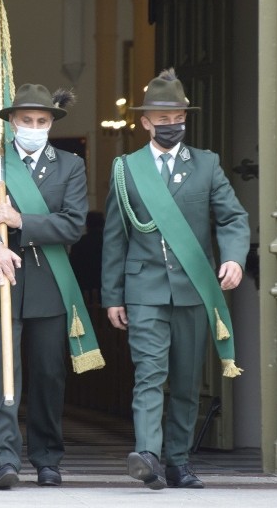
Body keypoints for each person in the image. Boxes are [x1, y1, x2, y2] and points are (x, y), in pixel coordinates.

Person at [101, 68, 250, 490]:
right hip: (144, 288)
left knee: (185, 380)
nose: (171, 124)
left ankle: (179, 461)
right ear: (145, 121)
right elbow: (115, 238)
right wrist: (113, 295)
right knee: (149, 372)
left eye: (177, 116)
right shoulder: (125, 170)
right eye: (161, 118)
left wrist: (235, 258)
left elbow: (232, 217)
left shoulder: (206, 165)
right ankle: (147, 453)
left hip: (192, 288)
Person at [0, 83, 104, 490]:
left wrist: (20, 221)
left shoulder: (70, 165)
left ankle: (47, 458)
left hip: (50, 282)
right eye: (26, 120)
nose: (33, 126)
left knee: (48, 375)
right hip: (2, 280)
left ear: (50, 123)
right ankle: (3, 459)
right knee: (2, 374)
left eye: (41, 121)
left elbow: (73, 224)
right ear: (12, 122)